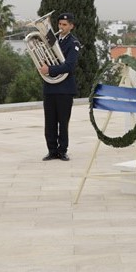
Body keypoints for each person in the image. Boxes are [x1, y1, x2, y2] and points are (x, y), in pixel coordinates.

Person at [39, 12, 81, 161]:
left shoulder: (74, 43)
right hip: (50, 87)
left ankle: (62, 150)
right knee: (49, 122)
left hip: (65, 89)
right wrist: (43, 64)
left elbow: (69, 66)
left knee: (63, 122)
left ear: (71, 26)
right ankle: (51, 150)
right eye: (59, 24)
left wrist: (49, 70)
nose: (61, 27)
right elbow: (43, 57)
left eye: (64, 25)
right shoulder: (52, 40)